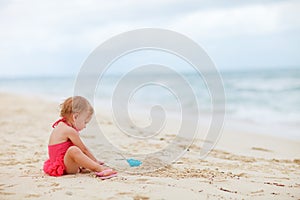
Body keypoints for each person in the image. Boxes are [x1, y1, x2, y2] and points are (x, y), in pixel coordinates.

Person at [43, 96, 117, 179]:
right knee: (73, 150)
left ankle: (87, 165)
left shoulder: (61, 125)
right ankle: (99, 169)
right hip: (63, 167)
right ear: (75, 117)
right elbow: (83, 149)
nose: (85, 126)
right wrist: (95, 162)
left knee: (73, 150)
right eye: (85, 122)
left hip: (61, 162)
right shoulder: (69, 130)